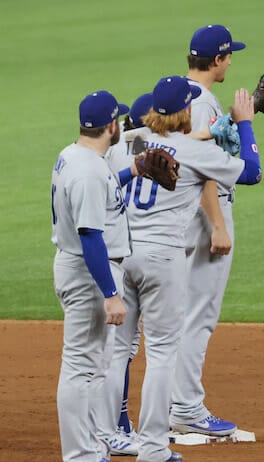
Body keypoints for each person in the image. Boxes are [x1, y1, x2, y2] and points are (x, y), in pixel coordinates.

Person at [95, 76, 261, 462]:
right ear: (186, 110)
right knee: (161, 353)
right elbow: (252, 171)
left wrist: (211, 132)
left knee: (118, 351)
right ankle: (154, 447)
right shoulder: (193, 152)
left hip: (121, 255)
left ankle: (105, 439)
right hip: (162, 260)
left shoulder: (128, 142)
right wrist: (244, 124)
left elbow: (158, 148)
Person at [170, 24, 250, 437]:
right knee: (198, 316)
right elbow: (201, 169)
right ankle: (186, 408)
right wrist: (218, 225)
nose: (230, 62)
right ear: (217, 59)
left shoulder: (178, 93)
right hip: (204, 218)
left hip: (178, 217)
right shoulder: (201, 103)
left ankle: (172, 404)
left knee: (181, 316)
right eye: (228, 56)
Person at [51, 90, 131, 462]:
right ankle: (80, 454)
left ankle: (94, 446)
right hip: (88, 274)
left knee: (96, 365)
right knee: (80, 366)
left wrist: (134, 171)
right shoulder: (87, 171)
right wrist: (111, 294)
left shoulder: (75, 155)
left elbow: (103, 190)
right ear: (111, 125)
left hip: (84, 268)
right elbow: (90, 235)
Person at [103, 92, 153, 457]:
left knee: (117, 348)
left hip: (120, 254)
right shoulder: (150, 149)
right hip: (124, 256)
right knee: (117, 349)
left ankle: (117, 424)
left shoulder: (110, 149)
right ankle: (112, 427)